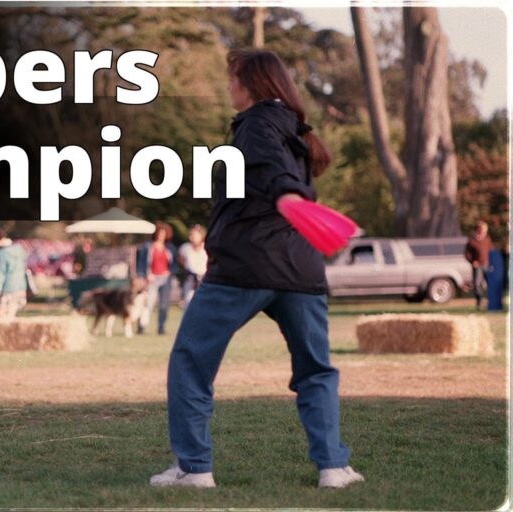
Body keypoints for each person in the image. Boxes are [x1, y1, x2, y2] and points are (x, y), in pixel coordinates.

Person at [150, 50, 363, 489]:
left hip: (246, 265)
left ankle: (194, 469)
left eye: (232, 78)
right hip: (301, 269)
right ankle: (333, 469)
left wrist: (285, 195)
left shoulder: (258, 123)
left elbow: (270, 167)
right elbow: (276, 168)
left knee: (190, 361)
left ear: (250, 83)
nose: (228, 86)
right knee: (316, 370)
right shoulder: (296, 131)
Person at [136, 222, 177, 335]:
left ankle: (161, 327)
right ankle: (141, 327)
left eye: (163, 234)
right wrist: (143, 275)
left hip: (165, 279)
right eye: (159, 233)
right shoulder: (147, 246)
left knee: (164, 305)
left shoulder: (170, 248)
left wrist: (169, 272)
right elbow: (140, 262)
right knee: (148, 303)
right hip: (151, 278)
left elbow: (174, 265)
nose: (161, 236)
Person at [0, 228, 29, 318]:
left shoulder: (1, 253)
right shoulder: (19, 249)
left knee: (0, 316)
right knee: (11, 316)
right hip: (20, 287)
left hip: (7, 288)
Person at [464, 220, 494, 310]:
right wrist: (472, 261)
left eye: (486, 230)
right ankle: (479, 302)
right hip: (477, 266)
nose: (484, 231)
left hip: (487, 265)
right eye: (483, 229)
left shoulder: (487, 239)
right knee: (477, 285)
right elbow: (467, 254)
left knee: (491, 283)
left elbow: (491, 251)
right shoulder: (472, 241)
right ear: (478, 229)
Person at [177, 225, 208, 309]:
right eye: (191, 235)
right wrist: (186, 265)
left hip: (204, 279)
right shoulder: (186, 247)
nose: (192, 237)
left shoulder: (207, 247)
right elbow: (180, 257)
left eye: (194, 235)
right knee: (188, 302)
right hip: (190, 278)